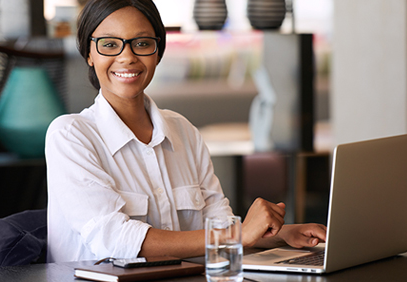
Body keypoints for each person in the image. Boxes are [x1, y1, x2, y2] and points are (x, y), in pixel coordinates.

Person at [45, 0, 326, 263]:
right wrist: (235, 235)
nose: (127, 57)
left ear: (158, 52)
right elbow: (114, 241)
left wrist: (279, 234)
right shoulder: (70, 136)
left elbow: (217, 224)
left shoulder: (183, 131)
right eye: (109, 44)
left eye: (142, 43)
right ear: (89, 54)